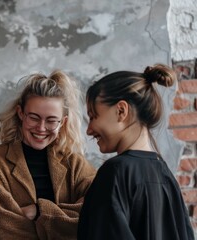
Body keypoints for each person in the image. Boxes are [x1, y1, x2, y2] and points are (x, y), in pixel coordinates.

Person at [0, 70, 96, 239]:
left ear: (62, 122)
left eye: (51, 120)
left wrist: (40, 210)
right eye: (34, 117)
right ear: (21, 113)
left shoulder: (75, 165)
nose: (41, 128)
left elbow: (99, 215)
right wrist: (65, 221)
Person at [77, 64, 194, 240]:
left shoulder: (115, 172)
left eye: (93, 116)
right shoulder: (166, 175)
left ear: (121, 111)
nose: (89, 129)